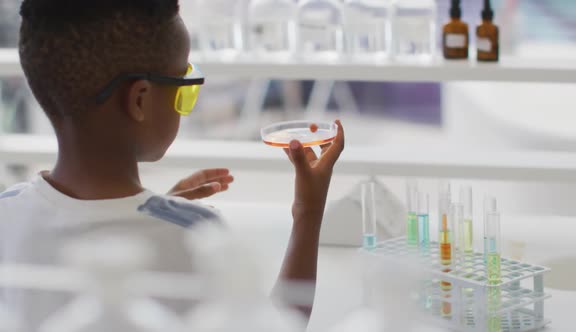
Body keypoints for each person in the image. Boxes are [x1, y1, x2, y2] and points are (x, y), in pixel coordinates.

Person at [0, 0, 345, 330]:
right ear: (140, 99)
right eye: (185, 88)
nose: (186, 103)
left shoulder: (7, 212)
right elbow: (278, 323)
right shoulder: (197, 237)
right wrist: (309, 211)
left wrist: (155, 210)